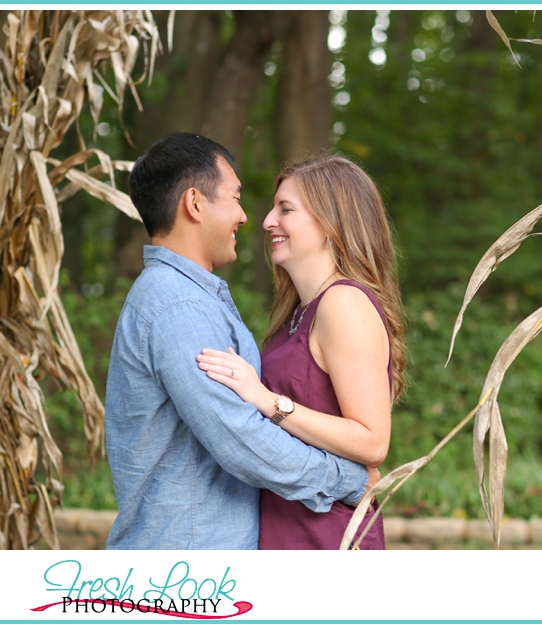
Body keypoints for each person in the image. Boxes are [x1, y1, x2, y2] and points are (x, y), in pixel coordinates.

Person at [105, 132, 374, 550]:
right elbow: (240, 438)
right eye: (235, 197)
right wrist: (348, 480)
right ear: (195, 204)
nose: (249, 217)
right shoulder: (177, 307)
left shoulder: (191, 299)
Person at [195, 155, 404, 549]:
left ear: (330, 222)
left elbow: (373, 441)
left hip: (327, 537)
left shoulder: (343, 304)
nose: (267, 221)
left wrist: (268, 401)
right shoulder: (299, 311)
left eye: (285, 209)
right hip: (288, 528)